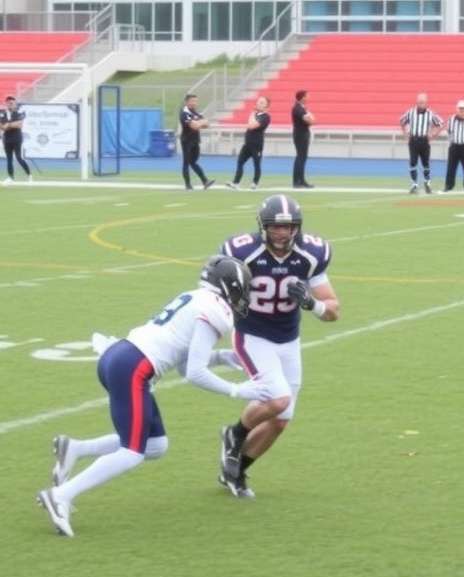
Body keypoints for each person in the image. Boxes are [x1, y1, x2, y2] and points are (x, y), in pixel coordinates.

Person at [36, 256, 275, 537]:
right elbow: (194, 373)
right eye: (240, 288)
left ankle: (75, 449)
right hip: (133, 368)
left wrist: (221, 358)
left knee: (155, 445)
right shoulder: (216, 309)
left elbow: (185, 362)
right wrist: (238, 390)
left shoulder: (196, 297)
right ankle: (61, 495)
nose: (242, 296)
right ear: (229, 286)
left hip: (122, 357)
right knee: (131, 453)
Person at [217, 194, 340, 498]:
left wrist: (312, 303)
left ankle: (236, 469)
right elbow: (216, 290)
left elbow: (334, 310)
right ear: (263, 226)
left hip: (288, 339)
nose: (282, 233)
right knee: (279, 399)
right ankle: (235, 433)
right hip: (252, 335)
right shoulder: (242, 251)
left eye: (288, 227)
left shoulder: (311, 254)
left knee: (281, 421)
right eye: (275, 227)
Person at [400, 93, 443, 194]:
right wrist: (406, 135)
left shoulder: (430, 113)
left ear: (426, 102)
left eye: (423, 102)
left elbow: (440, 123)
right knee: (413, 163)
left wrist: (433, 134)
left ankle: (427, 183)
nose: (421, 104)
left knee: (426, 164)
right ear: (417, 102)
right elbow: (402, 121)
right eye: (419, 102)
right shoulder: (411, 112)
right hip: (413, 140)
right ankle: (414, 185)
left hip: (424, 140)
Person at [227, 96, 271, 191]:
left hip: (257, 144)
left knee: (256, 164)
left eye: (262, 103)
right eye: (259, 102)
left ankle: (255, 183)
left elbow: (252, 126)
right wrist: (253, 115)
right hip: (247, 143)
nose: (259, 103)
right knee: (240, 162)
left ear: (267, 107)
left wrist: (252, 114)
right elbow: (250, 125)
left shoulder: (266, 117)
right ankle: (236, 182)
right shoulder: (255, 115)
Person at [180, 94, 214, 191]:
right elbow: (194, 126)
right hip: (187, 141)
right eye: (193, 101)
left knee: (193, 161)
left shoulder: (194, 112)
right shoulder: (184, 113)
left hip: (195, 140)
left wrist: (199, 123)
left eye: (196, 101)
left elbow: (207, 124)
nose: (195, 103)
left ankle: (205, 181)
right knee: (186, 162)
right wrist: (200, 123)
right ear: (187, 102)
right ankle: (188, 184)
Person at [0, 96, 31, 185]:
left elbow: (19, 125)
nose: (11, 105)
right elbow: (2, 127)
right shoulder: (2, 113)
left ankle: (29, 174)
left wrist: (8, 125)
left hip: (17, 138)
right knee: (9, 159)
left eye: (13, 103)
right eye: (9, 103)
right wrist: (10, 125)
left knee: (19, 157)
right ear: (6, 104)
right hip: (7, 139)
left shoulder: (19, 112)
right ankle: (11, 177)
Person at [292, 90, 315, 188]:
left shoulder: (302, 108)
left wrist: (311, 119)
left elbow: (311, 120)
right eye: (306, 96)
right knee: (300, 157)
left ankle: (301, 180)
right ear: (302, 97)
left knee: (302, 157)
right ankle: (298, 181)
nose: (308, 97)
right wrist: (311, 120)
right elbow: (309, 120)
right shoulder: (298, 108)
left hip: (303, 134)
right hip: (300, 135)